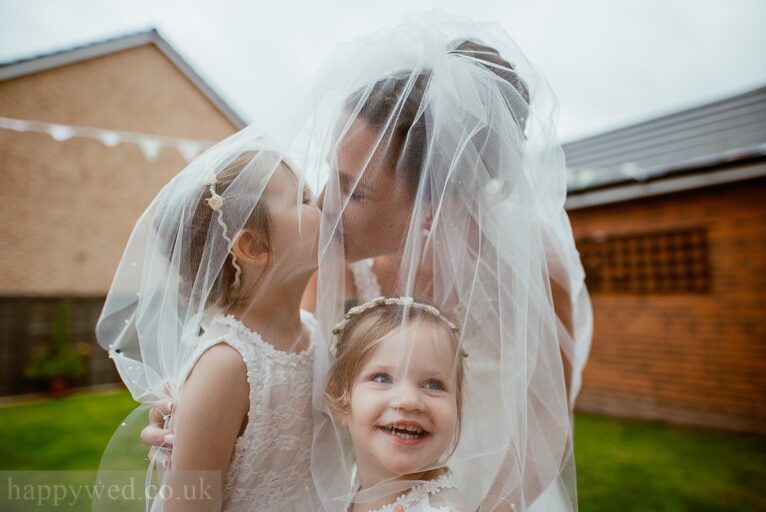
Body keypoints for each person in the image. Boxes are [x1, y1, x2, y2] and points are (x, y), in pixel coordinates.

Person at [141, 12, 592, 511]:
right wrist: (202, 422)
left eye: (354, 190)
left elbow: (550, 419)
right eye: (331, 173)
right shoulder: (327, 256)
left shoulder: (527, 258)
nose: (325, 203)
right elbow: (302, 383)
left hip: (501, 483)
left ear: (434, 202)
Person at [96, 148, 322, 511]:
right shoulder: (227, 366)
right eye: (304, 199)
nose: (324, 203)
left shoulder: (316, 331)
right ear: (255, 246)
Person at [325, 297, 468, 511]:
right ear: (342, 400)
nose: (409, 401)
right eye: (382, 378)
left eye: (433, 384)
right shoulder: (351, 481)